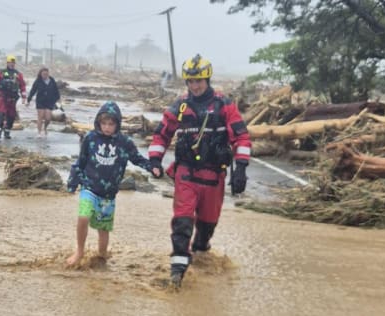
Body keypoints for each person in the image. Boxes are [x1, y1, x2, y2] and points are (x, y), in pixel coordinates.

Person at [148, 54, 252, 288]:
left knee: (206, 227)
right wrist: (155, 160)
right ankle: (177, 271)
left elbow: (242, 137)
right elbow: (161, 134)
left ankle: (200, 251)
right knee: (182, 222)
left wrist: (241, 169)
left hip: (214, 177)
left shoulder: (224, 105)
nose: (195, 86)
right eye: (190, 81)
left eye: (199, 81)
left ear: (207, 79)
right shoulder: (181, 106)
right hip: (186, 174)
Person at [66, 101, 162, 266]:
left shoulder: (124, 142)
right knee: (83, 217)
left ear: (117, 124)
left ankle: (101, 256)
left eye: (111, 124)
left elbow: (137, 159)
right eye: (104, 123)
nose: (107, 127)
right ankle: (79, 252)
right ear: (98, 122)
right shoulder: (90, 138)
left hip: (108, 194)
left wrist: (152, 168)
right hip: (89, 187)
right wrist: (72, 182)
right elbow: (80, 162)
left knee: (103, 229)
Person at [0, 55, 26, 139]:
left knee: (11, 115)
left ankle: (7, 131)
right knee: (1, 113)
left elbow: (22, 85)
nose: (12, 64)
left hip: (13, 98)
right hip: (3, 96)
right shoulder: (1, 72)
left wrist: (24, 96)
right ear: (7, 63)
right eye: (10, 62)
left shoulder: (18, 74)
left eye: (13, 63)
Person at [27, 67, 61, 137]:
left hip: (49, 101)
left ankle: (45, 128)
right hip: (40, 101)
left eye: (46, 74)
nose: (45, 75)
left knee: (48, 118)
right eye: (43, 74)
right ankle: (39, 133)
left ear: (48, 74)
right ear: (41, 74)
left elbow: (56, 89)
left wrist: (58, 98)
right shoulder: (38, 81)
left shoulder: (51, 80)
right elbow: (33, 90)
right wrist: (29, 100)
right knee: (40, 116)